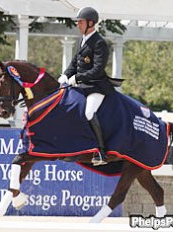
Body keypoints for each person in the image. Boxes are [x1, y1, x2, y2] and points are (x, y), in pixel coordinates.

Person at [58, 7, 115, 166]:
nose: (78, 25)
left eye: (81, 22)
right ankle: (73, 148)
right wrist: (65, 75)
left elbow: (97, 70)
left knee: (89, 112)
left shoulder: (99, 43)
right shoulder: (81, 40)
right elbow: (75, 63)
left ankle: (101, 152)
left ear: (91, 23)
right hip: (82, 86)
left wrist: (77, 77)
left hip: (96, 86)